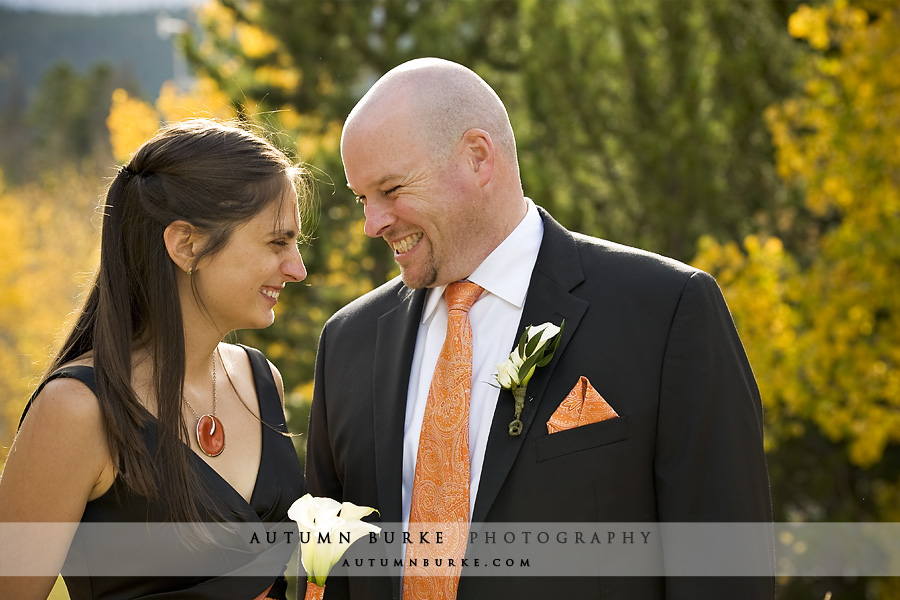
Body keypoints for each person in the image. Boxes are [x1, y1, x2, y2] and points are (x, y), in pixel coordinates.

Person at [305, 58, 774, 599]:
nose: (372, 223)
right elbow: (327, 575)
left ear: (478, 157)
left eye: (391, 189)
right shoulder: (348, 343)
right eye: (363, 198)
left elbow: (724, 572)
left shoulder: (666, 311)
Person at [0, 119, 308, 600]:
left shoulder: (260, 380)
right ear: (187, 245)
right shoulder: (76, 411)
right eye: (277, 242)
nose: (297, 268)